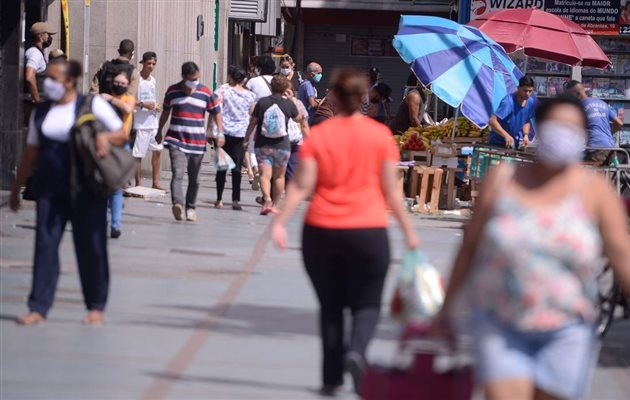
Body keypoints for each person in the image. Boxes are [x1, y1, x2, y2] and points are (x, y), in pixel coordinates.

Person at [432, 96, 630, 400]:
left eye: (572, 129)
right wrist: (446, 310)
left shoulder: (595, 192)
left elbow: (621, 255)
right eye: (556, 126)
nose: (563, 134)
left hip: (568, 329)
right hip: (500, 323)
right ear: (539, 128)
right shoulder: (503, 180)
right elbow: (470, 247)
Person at [270, 68, 420, 396]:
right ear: (363, 98)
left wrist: (280, 220)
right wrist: (410, 232)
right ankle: (358, 352)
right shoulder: (379, 136)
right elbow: (391, 190)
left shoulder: (321, 135)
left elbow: (302, 184)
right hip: (368, 232)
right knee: (367, 303)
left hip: (321, 230)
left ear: (333, 96)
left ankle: (331, 378)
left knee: (331, 305)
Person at [9, 59, 126, 326]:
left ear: (70, 81)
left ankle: (96, 306)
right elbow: (31, 151)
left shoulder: (91, 105)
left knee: (91, 246)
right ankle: (38, 306)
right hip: (50, 187)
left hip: (87, 188)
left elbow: (121, 135)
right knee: (45, 246)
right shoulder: (42, 111)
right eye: (45, 78)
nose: (46, 83)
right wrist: (17, 188)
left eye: (52, 78)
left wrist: (104, 137)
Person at [157, 61, 224, 222]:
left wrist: (220, 133)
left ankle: (191, 207)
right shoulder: (172, 91)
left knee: (195, 178)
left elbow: (216, 112)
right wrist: (159, 130)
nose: (195, 82)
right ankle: (178, 204)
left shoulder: (205, 92)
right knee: (178, 174)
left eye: (197, 79)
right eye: (192, 79)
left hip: (197, 142)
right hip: (176, 140)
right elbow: (166, 112)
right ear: (183, 77)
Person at [243, 75, 301, 215]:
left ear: (271, 87)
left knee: (264, 175)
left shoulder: (262, 102)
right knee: (279, 177)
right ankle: (275, 205)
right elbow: (298, 118)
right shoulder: (288, 104)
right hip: (282, 145)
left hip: (263, 144)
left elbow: (253, 122)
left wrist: (246, 138)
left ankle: (267, 199)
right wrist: (291, 99)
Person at [215, 66, 256, 210]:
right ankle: (235, 200)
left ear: (231, 78)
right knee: (237, 168)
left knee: (221, 167)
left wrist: (213, 131)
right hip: (241, 135)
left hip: (224, 133)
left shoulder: (222, 91)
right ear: (244, 80)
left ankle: (219, 199)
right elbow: (252, 115)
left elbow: (216, 110)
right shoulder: (250, 96)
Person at [100, 72, 136, 239]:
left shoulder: (128, 99)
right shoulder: (101, 100)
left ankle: (115, 225)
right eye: (117, 82)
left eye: (123, 83)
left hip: (122, 147)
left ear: (127, 85)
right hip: (104, 146)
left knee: (116, 189)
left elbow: (127, 109)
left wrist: (109, 99)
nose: (120, 85)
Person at [565, 80, 623, 163]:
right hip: (611, 148)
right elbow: (619, 123)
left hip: (596, 148)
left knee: (583, 172)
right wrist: (609, 133)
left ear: (576, 94)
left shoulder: (579, 107)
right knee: (608, 174)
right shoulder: (602, 103)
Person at [132, 51, 164, 189]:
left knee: (157, 150)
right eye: (149, 63)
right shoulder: (136, 79)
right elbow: (129, 99)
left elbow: (152, 97)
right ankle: (138, 182)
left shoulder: (153, 80)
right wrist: (143, 104)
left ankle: (155, 181)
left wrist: (155, 106)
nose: (151, 66)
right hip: (140, 123)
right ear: (143, 63)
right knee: (138, 154)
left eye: (153, 64)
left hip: (153, 121)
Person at [244, 55, 277, 190]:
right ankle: (268, 172)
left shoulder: (252, 82)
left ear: (259, 68)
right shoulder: (278, 81)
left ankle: (256, 170)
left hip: (256, 116)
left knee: (252, 145)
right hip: (275, 117)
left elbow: (246, 99)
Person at [488, 76, 537, 149]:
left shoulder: (530, 102)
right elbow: (492, 121)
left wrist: (526, 135)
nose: (527, 94)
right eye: (525, 90)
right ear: (518, 88)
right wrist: (506, 135)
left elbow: (526, 120)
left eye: (530, 91)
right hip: (497, 144)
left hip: (513, 144)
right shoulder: (508, 102)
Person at [24, 22, 56, 123]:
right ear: (40, 36)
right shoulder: (35, 53)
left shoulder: (37, 53)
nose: (50, 37)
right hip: (33, 107)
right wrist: (37, 101)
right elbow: (29, 77)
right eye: (48, 34)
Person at [285, 87, 310, 183]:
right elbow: (304, 125)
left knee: (277, 172)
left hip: (278, 141)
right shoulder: (298, 103)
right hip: (295, 141)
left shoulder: (272, 101)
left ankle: (269, 195)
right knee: (292, 170)